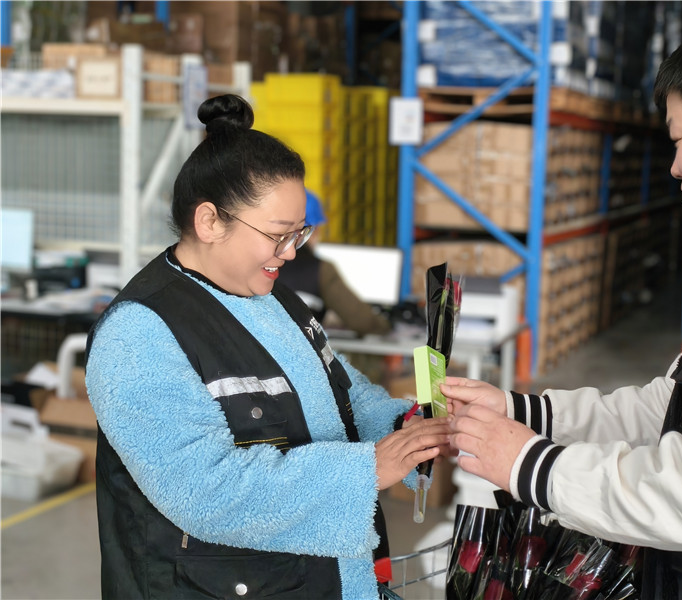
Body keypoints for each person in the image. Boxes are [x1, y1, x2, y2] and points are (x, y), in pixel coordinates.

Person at [444, 15, 682, 599]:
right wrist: (524, 412)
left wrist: (531, 465)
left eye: (679, 140)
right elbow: (673, 408)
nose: (674, 166)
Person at [84, 94, 452, 600]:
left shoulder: (273, 297)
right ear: (209, 222)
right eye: (278, 234)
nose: (291, 252)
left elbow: (341, 393)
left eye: (299, 233)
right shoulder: (138, 333)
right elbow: (205, 491)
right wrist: (369, 469)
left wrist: (404, 428)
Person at [278, 190, 393, 337]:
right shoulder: (320, 269)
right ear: (311, 230)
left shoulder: (263, 261)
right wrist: (388, 328)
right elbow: (361, 319)